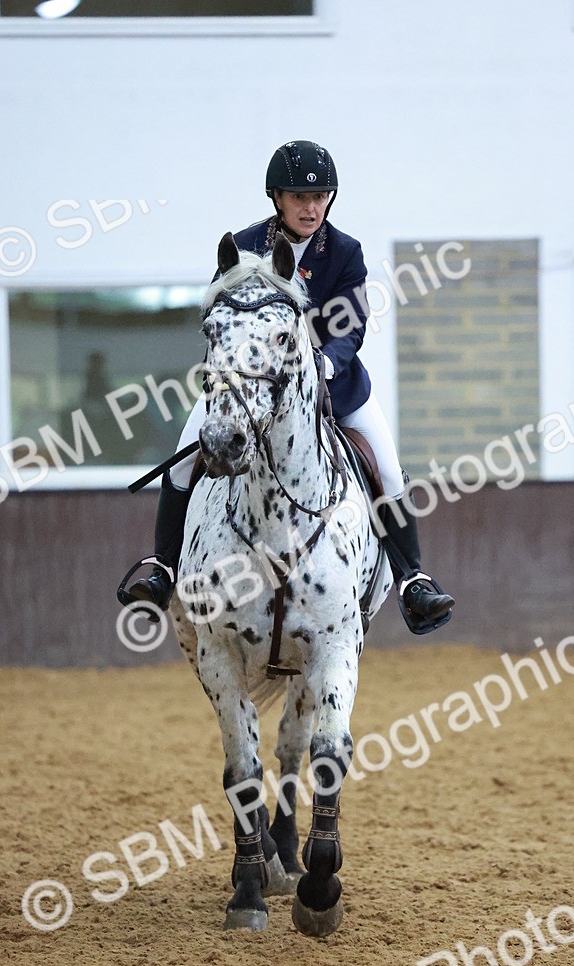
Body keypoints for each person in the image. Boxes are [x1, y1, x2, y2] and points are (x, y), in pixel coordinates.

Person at [123, 140, 454, 635]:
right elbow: (217, 316)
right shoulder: (243, 246)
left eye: (320, 195)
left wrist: (326, 364)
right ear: (276, 198)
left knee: (387, 467)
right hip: (247, 388)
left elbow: (352, 326)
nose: (311, 206)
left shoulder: (345, 252)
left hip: (334, 389)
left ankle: (413, 580)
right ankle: (163, 568)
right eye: (299, 196)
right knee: (184, 458)